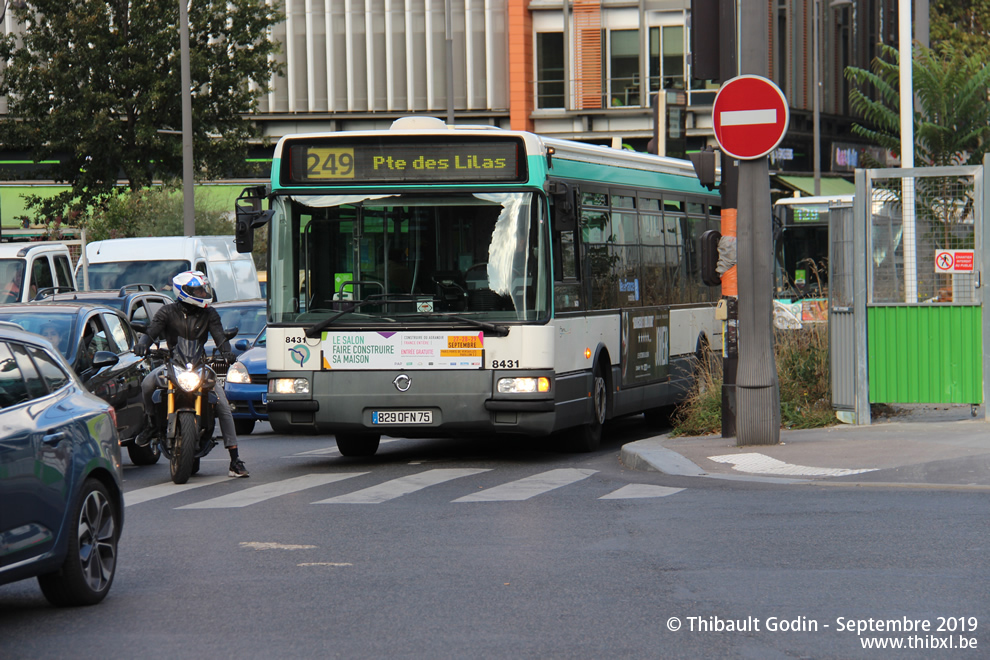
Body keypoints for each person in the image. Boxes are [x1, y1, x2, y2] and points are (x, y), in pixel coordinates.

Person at [134, 271, 249, 478]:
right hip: (172, 363)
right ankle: (151, 424)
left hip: (199, 364)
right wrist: (142, 345)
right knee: (147, 384)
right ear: (184, 291)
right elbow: (152, 332)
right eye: (197, 290)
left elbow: (220, 336)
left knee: (222, 404)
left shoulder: (210, 314)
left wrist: (227, 352)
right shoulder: (167, 312)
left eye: (203, 289)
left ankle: (235, 459)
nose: (202, 293)